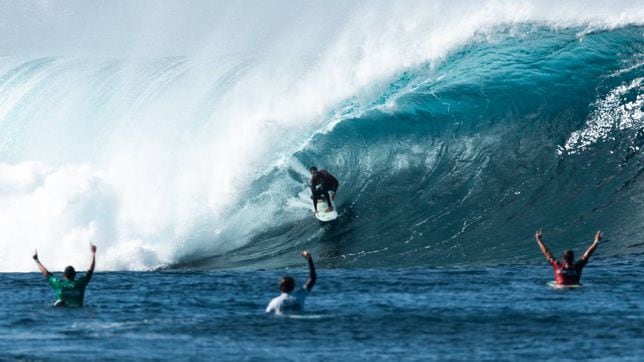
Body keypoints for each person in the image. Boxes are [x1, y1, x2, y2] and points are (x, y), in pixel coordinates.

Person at [32, 243, 97, 307]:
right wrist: (93, 253)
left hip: (62, 308)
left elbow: (46, 273)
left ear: (63, 274)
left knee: (61, 303)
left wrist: (36, 260)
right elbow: (90, 271)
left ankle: (61, 302)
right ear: (75, 274)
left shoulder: (58, 284)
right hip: (77, 307)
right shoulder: (80, 283)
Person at [535, 229, 602, 285]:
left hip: (560, 288)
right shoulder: (577, 267)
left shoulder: (557, 265)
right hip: (575, 287)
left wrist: (538, 240)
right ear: (573, 258)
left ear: (563, 258)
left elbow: (547, 253)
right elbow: (587, 254)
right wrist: (596, 241)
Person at [266, 250, 317, 315]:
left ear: (280, 287)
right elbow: (313, 278)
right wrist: (309, 258)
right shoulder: (299, 294)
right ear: (293, 286)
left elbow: (266, 316)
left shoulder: (274, 302)